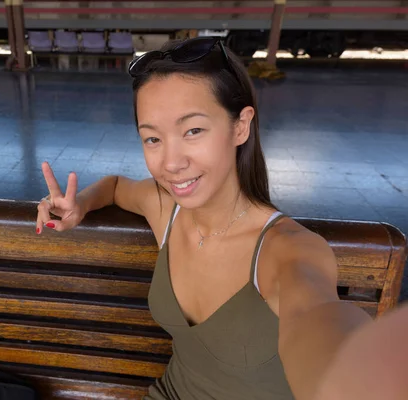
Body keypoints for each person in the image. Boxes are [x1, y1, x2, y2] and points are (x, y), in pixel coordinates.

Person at [35, 37, 372, 400]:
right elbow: (116, 186)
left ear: (240, 126)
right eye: (152, 139)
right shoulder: (167, 210)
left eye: (193, 130)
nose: (171, 162)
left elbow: (317, 321)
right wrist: (80, 204)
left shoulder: (287, 250)